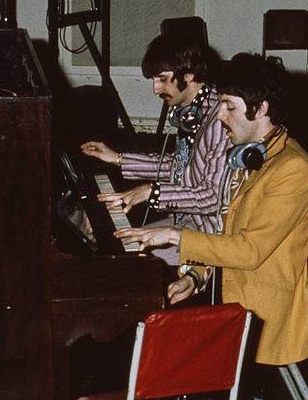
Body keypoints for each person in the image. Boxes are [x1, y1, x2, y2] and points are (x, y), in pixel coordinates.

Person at [116, 53, 308, 400]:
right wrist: (194, 275)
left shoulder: (292, 170)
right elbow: (228, 231)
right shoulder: (253, 154)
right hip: (229, 286)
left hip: (260, 306)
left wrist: (173, 234)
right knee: (151, 321)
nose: (220, 116)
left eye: (229, 106)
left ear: (261, 109)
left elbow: (248, 250)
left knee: (153, 343)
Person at [79, 32, 243, 264]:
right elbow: (179, 167)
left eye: (163, 79)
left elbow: (211, 198)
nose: (156, 89)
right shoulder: (192, 112)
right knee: (110, 241)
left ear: (189, 74)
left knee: (126, 264)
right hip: (184, 222)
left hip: (208, 236)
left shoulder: (218, 120)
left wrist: (150, 192)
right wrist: (117, 158)